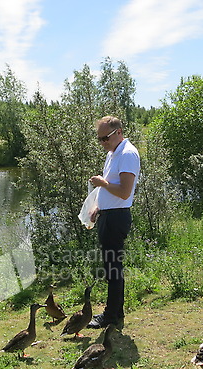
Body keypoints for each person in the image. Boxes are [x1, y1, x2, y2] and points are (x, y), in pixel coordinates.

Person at [87, 116, 140, 330]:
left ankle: (110, 316)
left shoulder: (127, 154)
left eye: (105, 138)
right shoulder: (113, 153)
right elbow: (113, 191)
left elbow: (124, 191)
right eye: (99, 139)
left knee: (113, 267)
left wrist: (103, 183)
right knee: (111, 267)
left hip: (117, 217)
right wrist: (99, 206)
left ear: (118, 132)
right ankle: (115, 312)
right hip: (109, 214)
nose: (102, 143)